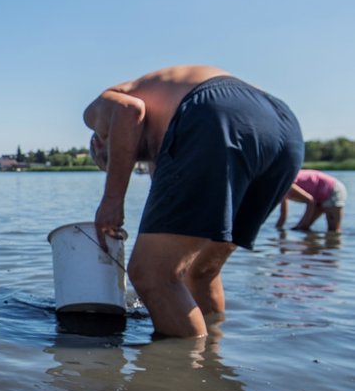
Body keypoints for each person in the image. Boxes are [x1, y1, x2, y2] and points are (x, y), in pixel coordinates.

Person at [83, 65, 304, 338]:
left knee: (151, 275)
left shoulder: (99, 109)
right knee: (201, 272)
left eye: (108, 162)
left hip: (215, 111)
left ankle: (185, 375)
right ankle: (212, 358)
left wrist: (112, 199)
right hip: (283, 128)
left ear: (99, 144)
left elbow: (128, 112)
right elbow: (173, 207)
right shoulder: (163, 129)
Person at [276, 169, 346, 232]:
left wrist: (303, 224)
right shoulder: (281, 188)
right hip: (318, 195)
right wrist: (278, 229)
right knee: (301, 229)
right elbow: (283, 214)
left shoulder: (287, 183)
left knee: (334, 230)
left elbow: (310, 201)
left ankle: (334, 246)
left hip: (332, 190)